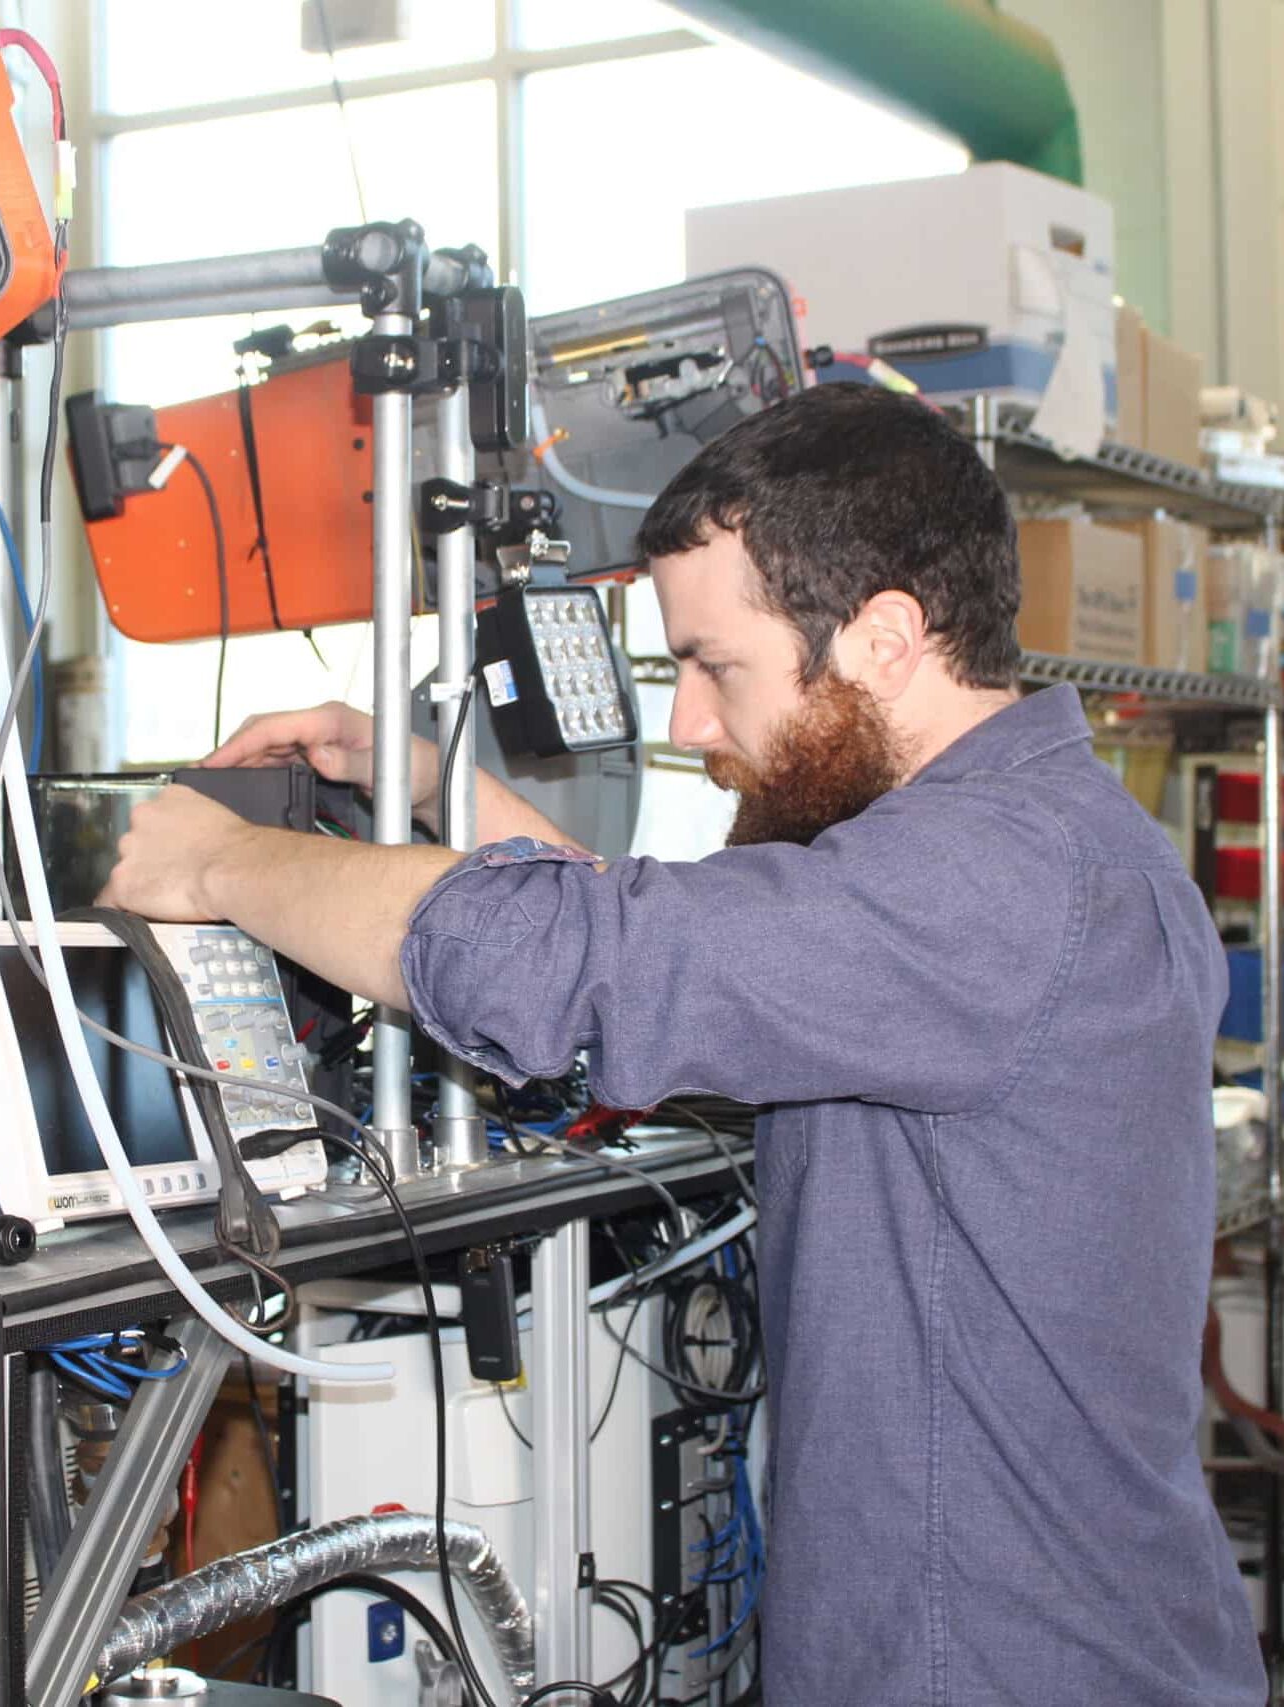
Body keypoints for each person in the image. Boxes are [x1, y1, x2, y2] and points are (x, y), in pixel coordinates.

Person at [99, 382, 1264, 1706]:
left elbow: (586, 966)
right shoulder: (1029, 846)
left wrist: (225, 864)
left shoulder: (991, 883)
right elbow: (699, 965)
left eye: (716, 666)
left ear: (884, 636)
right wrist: (432, 786)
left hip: (992, 1663)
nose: (692, 726)